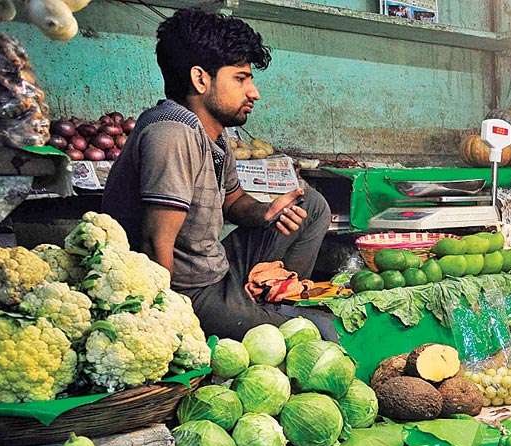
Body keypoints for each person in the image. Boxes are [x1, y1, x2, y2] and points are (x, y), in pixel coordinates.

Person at [101, 8, 336, 341]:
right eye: (240, 78)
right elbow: (156, 244)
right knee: (320, 334)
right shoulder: (172, 134)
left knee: (311, 205)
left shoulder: (214, 133)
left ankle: (275, 294)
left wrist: (267, 213)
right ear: (200, 79)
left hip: (217, 268)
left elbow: (234, 200)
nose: (253, 92)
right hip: (190, 292)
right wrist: (167, 326)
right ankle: (262, 316)